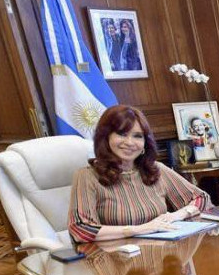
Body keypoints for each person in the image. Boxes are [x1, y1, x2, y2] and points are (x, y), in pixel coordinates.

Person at [69, 104, 210, 245]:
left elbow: (201, 198)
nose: (130, 142)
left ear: (144, 143)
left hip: (161, 257)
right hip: (119, 260)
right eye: (122, 134)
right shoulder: (87, 176)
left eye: (137, 136)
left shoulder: (155, 170)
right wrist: (138, 230)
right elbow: (81, 229)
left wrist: (176, 216)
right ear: (105, 138)